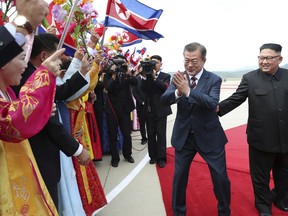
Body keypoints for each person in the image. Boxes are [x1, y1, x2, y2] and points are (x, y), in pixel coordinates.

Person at [11, 33, 91, 209]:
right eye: (20, 57)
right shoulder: (29, 78)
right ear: (45, 56)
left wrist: (82, 72)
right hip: (39, 156)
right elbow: (50, 122)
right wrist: (78, 150)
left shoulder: (35, 75)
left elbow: (59, 93)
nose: (61, 61)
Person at [217, 43, 288, 216]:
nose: (264, 61)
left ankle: (282, 199)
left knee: (284, 173)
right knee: (260, 176)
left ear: (280, 59)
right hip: (260, 137)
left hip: (286, 136)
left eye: (268, 58)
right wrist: (216, 109)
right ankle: (263, 207)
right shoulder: (250, 78)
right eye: (261, 58)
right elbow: (236, 99)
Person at [161, 42, 231, 216]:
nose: (190, 65)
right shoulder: (177, 77)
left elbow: (212, 103)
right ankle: (179, 212)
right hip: (184, 137)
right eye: (187, 60)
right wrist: (177, 92)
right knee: (179, 178)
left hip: (209, 136)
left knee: (220, 178)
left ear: (204, 60)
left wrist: (188, 91)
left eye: (194, 61)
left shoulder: (213, 79)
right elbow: (164, 100)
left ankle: (224, 211)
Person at [103, 55, 138, 167]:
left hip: (124, 109)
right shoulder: (107, 75)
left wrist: (129, 74)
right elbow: (107, 88)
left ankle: (128, 154)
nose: (119, 67)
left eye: (121, 65)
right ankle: (115, 158)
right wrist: (113, 76)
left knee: (126, 134)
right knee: (113, 135)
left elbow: (136, 83)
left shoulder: (126, 74)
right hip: (112, 109)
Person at [141, 55, 172, 168]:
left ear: (161, 64)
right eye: (152, 63)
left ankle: (161, 158)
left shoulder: (165, 76)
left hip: (161, 110)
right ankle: (153, 156)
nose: (154, 65)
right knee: (151, 134)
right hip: (149, 110)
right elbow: (142, 89)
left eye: (156, 63)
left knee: (161, 134)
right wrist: (145, 76)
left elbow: (165, 88)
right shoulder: (147, 76)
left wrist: (154, 78)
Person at [132, 65, 148, 145]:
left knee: (150, 123)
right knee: (142, 123)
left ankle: (151, 137)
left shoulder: (150, 78)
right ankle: (144, 138)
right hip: (140, 105)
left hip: (149, 105)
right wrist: (141, 102)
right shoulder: (136, 79)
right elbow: (134, 92)